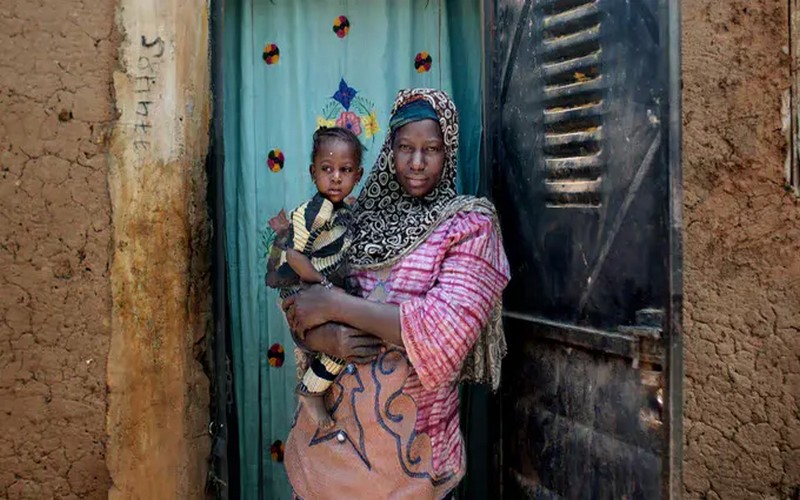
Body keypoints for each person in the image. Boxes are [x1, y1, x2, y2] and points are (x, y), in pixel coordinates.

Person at [282, 89, 510, 499]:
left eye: (431, 149)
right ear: (390, 149)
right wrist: (323, 337)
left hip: (411, 464)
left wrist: (336, 305)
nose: (417, 162)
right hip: (327, 451)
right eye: (405, 147)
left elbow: (443, 336)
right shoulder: (351, 218)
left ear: (448, 151)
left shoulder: (469, 226)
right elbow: (299, 305)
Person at [265, 126, 363, 430]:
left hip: (317, 291)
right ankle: (310, 390)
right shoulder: (315, 211)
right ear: (313, 172)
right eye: (327, 169)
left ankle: (315, 386)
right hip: (302, 291)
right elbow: (294, 257)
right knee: (341, 340)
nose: (336, 177)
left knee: (343, 341)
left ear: (358, 176)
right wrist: (325, 286)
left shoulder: (342, 210)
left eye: (345, 170)